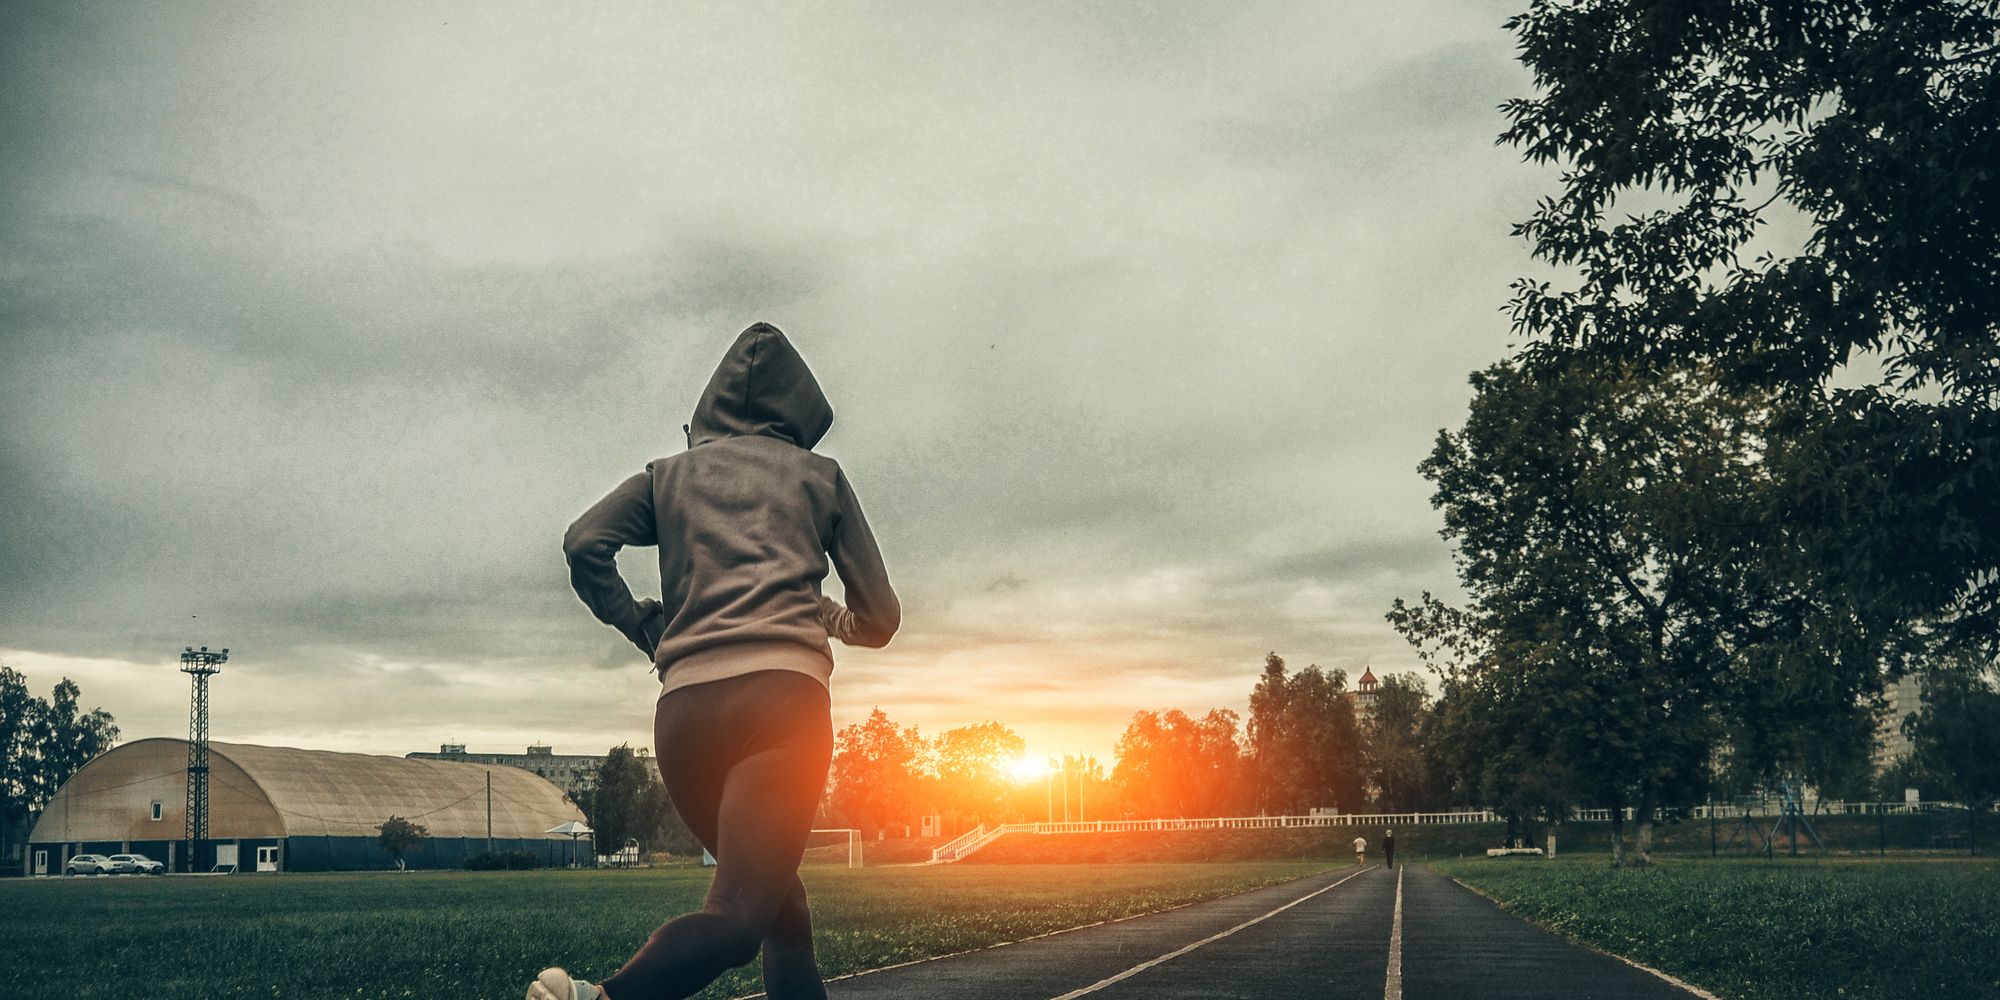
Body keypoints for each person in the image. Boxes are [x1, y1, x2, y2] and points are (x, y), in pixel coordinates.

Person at [534, 322, 900, 1000]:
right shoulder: (819, 477)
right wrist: (829, 618)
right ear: (801, 410)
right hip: (781, 711)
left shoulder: (668, 477)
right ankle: (603, 997)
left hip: (685, 717)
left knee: (781, 911)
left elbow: (585, 542)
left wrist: (646, 625)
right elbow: (881, 620)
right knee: (738, 917)